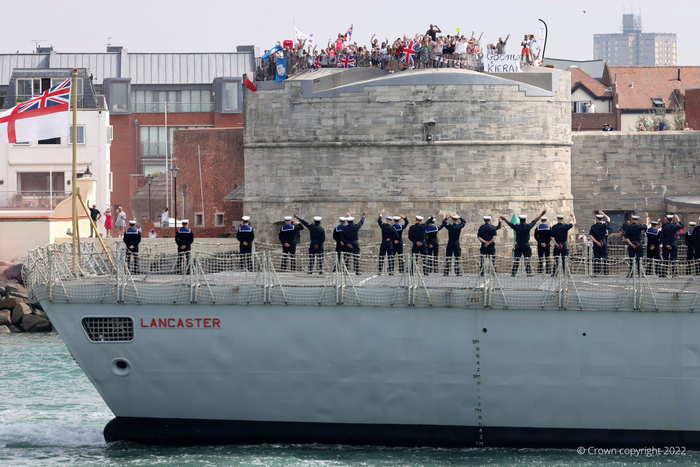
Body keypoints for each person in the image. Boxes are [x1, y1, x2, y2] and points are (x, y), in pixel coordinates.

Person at [500, 210, 547, 276]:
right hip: (526, 244)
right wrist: (541, 215)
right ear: (525, 220)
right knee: (527, 259)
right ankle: (529, 272)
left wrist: (504, 219)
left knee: (516, 259)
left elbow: (510, 224)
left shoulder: (517, 227)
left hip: (519, 244)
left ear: (520, 220)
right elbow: (535, 220)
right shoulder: (527, 227)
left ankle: (513, 273)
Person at [589, 211, 612, 275]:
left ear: (596, 219)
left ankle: (596, 270)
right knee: (605, 257)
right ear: (602, 219)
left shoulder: (593, 226)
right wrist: (603, 214)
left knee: (596, 257)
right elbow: (608, 219)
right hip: (603, 240)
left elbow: (590, 235)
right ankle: (605, 271)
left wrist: (596, 241)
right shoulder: (604, 225)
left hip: (596, 242)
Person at [378, 210, 399, 275]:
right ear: (391, 221)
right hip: (390, 243)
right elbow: (396, 236)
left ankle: (380, 270)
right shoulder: (393, 228)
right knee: (390, 257)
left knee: (381, 256)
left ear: (387, 220)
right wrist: (391, 239)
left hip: (384, 242)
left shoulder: (383, 226)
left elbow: (379, 221)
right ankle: (391, 271)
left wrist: (381, 214)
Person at [425, 210, 442, 274]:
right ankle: (435, 269)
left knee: (429, 257)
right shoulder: (435, 228)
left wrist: (428, 244)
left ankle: (429, 269)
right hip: (435, 243)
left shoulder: (426, 229)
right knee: (435, 256)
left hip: (429, 243)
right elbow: (442, 226)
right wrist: (444, 218)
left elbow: (425, 238)